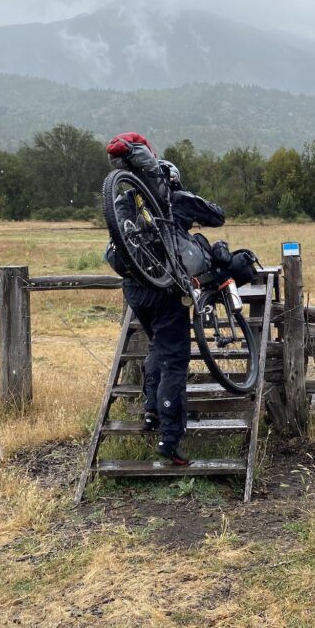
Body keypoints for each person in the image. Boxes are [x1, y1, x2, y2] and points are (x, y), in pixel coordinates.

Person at [105, 157, 222, 466]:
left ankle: (151, 410)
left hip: (135, 289)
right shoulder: (174, 200)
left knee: (158, 343)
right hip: (164, 291)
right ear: (170, 179)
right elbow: (217, 216)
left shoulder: (126, 200)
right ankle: (169, 439)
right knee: (174, 360)